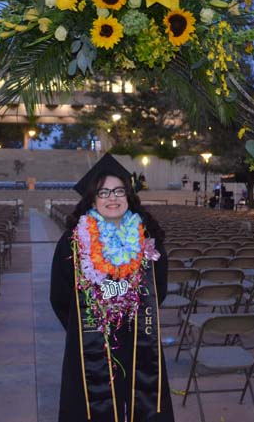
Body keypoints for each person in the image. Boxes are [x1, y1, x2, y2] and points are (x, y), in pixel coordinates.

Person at [50, 153, 174, 422]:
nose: (112, 198)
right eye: (104, 192)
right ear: (92, 198)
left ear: (128, 196)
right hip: (89, 340)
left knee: (145, 399)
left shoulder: (147, 239)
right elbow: (59, 297)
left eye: (118, 191)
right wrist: (84, 324)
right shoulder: (72, 243)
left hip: (139, 335)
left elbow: (158, 287)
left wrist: (133, 315)